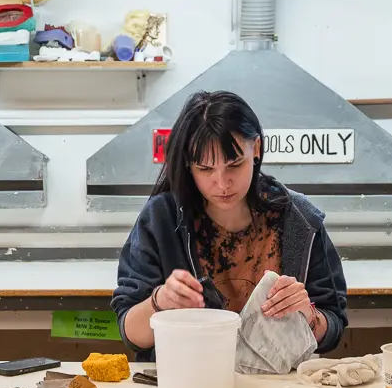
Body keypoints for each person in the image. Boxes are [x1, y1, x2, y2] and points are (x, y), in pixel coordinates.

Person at [113, 90, 349, 360]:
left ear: (256, 149)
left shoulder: (299, 219)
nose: (222, 183)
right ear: (188, 164)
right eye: (205, 169)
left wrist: (308, 315)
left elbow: (334, 328)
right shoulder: (161, 218)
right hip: (189, 377)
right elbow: (130, 334)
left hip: (278, 381)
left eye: (234, 165)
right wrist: (159, 302)